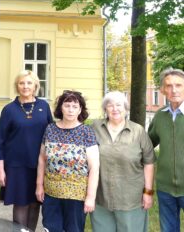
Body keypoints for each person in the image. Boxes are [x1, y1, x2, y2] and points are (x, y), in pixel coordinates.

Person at [91, 91, 155, 232]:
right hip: (101, 197)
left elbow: (149, 163)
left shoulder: (138, 131)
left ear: (126, 108)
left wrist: (148, 193)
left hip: (131, 199)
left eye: (119, 105)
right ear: (105, 109)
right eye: (110, 105)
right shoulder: (94, 128)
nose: (115, 109)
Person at [0, 70, 52, 231]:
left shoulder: (44, 106)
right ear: (17, 86)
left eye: (29, 83)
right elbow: (0, 141)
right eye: (21, 83)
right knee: (21, 204)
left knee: (35, 204)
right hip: (16, 167)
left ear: (35, 85)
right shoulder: (9, 109)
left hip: (40, 166)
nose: (25, 86)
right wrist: (0, 170)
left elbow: (51, 134)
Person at [36, 90, 99, 232]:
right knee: (51, 229)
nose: (71, 110)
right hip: (51, 194)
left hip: (76, 197)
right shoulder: (50, 129)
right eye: (67, 105)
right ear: (60, 108)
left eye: (75, 106)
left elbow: (94, 167)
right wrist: (39, 185)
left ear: (80, 110)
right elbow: (42, 158)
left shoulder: (86, 132)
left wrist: (90, 197)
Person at [148, 67, 184, 232]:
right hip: (165, 188)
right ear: (162, 90)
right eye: (169, 86)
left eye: (178, 85)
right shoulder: (160, 115)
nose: (174, 90)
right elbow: (147, 145)